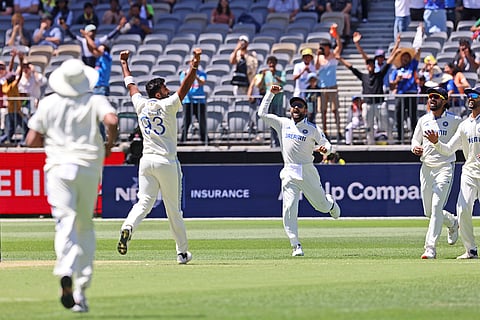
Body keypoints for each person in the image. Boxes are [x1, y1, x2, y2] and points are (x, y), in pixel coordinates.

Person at [25, 58, 118, 312]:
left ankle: (65, 269)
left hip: (58, 168)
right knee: (85, 225)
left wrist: (55, 143)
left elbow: (31, 139)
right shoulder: (94, 100)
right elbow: (111, 120)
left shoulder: (48, 103)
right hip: (88, 166)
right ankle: (81, 290)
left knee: (65, 221)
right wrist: (108, 145)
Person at [116, 47, 202, 264]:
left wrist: (124, 62)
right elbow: (186, 86)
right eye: (164, 88)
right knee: (173, 210)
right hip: (166, 161)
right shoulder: (168, 105)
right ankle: (182, 253)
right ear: (158, 93)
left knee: (143, 202)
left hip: (146, 161)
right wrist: (195, 63)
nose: (168, 89)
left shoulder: (141, 104)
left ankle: (128, 226)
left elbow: (130, 85)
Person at [257, 84, 341, 257]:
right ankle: (295, 244)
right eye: (293, 105)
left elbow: (327, 144)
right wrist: (270, 94)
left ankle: (330, 204)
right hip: (289, 171)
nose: (296, 108)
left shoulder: (312, 128)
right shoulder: (283, 123)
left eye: (299, 106)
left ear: (305, 110)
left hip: (307, 171)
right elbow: (262, 114)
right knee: (289, 207)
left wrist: (326, 150)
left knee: (321, 207)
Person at [424, 86, 480, 259]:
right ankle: (471, 250)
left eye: (474, 95)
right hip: (469, 172)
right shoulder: (464, 125)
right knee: (462, 210)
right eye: (468, 95)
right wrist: (436, 142)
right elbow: (448, 150)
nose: (470, 98)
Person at [411, 87, 461, 259]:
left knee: (436, 207)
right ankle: (453, 222)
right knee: (429, 212)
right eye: (430, 96)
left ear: (444, 101)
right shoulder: (423, 120)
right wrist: (415, 148)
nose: (431, 99)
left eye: (436, 97)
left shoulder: (454, 121)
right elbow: (415, 140)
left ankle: (430, 248)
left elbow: (466, 136)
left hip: (445, 167)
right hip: (426, 167)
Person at [337, 46, 398, 144]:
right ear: (366, 66)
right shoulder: (363, 76)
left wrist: (396, 48)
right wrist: (340, 59)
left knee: (385, 123)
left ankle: (391, 141)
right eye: (368, 65)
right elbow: (351, 68)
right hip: (368, 104)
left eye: (371, 64)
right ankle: (370, 142)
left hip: (380, 103)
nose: (370, 66)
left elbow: (389, 62)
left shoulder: (379, 75)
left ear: (374, 66)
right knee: (368, 125)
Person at [390, 46, 421, 143]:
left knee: (413, 116)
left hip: (411, 94)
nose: (405, 59)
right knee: (399, 116)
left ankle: (415, 138)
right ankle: (400, 137)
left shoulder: (412, 67)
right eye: (404, 57)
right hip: (400, 95)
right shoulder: (396, 71)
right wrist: (397, 81)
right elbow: (391, 86)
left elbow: (417, 56)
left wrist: (418, 47)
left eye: (407, 57)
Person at [315, 32, 342, 140]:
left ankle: (339, 129)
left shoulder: (333, 56)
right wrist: (317, 55)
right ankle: (325, 130)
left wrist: (337, 36)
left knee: (335, 109)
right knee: (323, 110)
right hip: (322, 86)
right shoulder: (319, 58)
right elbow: (316, 67)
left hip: (332, 86)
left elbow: (339, 46)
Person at [0, 50, 27, 145]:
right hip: (15, 109)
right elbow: (18, 75)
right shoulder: (12, 85)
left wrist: (13, 58)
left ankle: (2, 140)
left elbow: (10, 70)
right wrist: (21, 60)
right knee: (25, 126)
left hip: (12, 109)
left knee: (11, 128)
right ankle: (24, 141)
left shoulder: (5, 85)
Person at [179, 62, 208, 143]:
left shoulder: (202, 74)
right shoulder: (184, 74)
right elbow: (183, 85)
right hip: (188, 100)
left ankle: (204, 139)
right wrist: (189, 75)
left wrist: (195, 76)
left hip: (199, 100)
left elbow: (202, 82)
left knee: (202, 121)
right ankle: (183, 139)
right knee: (186, 121)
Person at [262, 55, 287, 148]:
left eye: (273, 62)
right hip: (269, 102)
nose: (271, 64)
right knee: (271, 122)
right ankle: (274, 141)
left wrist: (275, 76)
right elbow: (261, 86)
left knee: (279, 122)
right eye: (270, 62)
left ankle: (280, 141)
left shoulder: (281, 73)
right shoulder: (265, 74)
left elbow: (284, 82)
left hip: (278, 101)